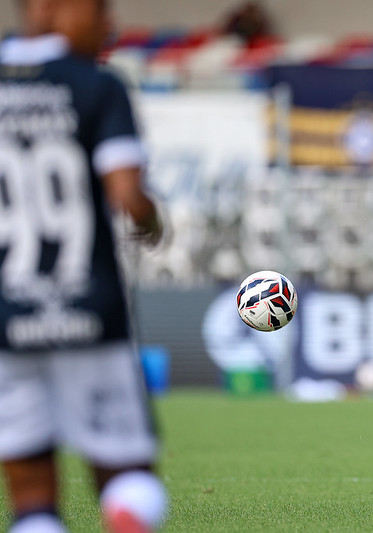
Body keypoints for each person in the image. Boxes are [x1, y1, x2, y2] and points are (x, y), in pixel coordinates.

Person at [0, 1, 168, 531]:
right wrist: (151, 218)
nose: (109, 25)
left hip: (8, 318)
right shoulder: (96, 84)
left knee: (30, 498)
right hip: (90, 310)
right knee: (129, 482)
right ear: (53, 7)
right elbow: (126, 195)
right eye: (99, 9)